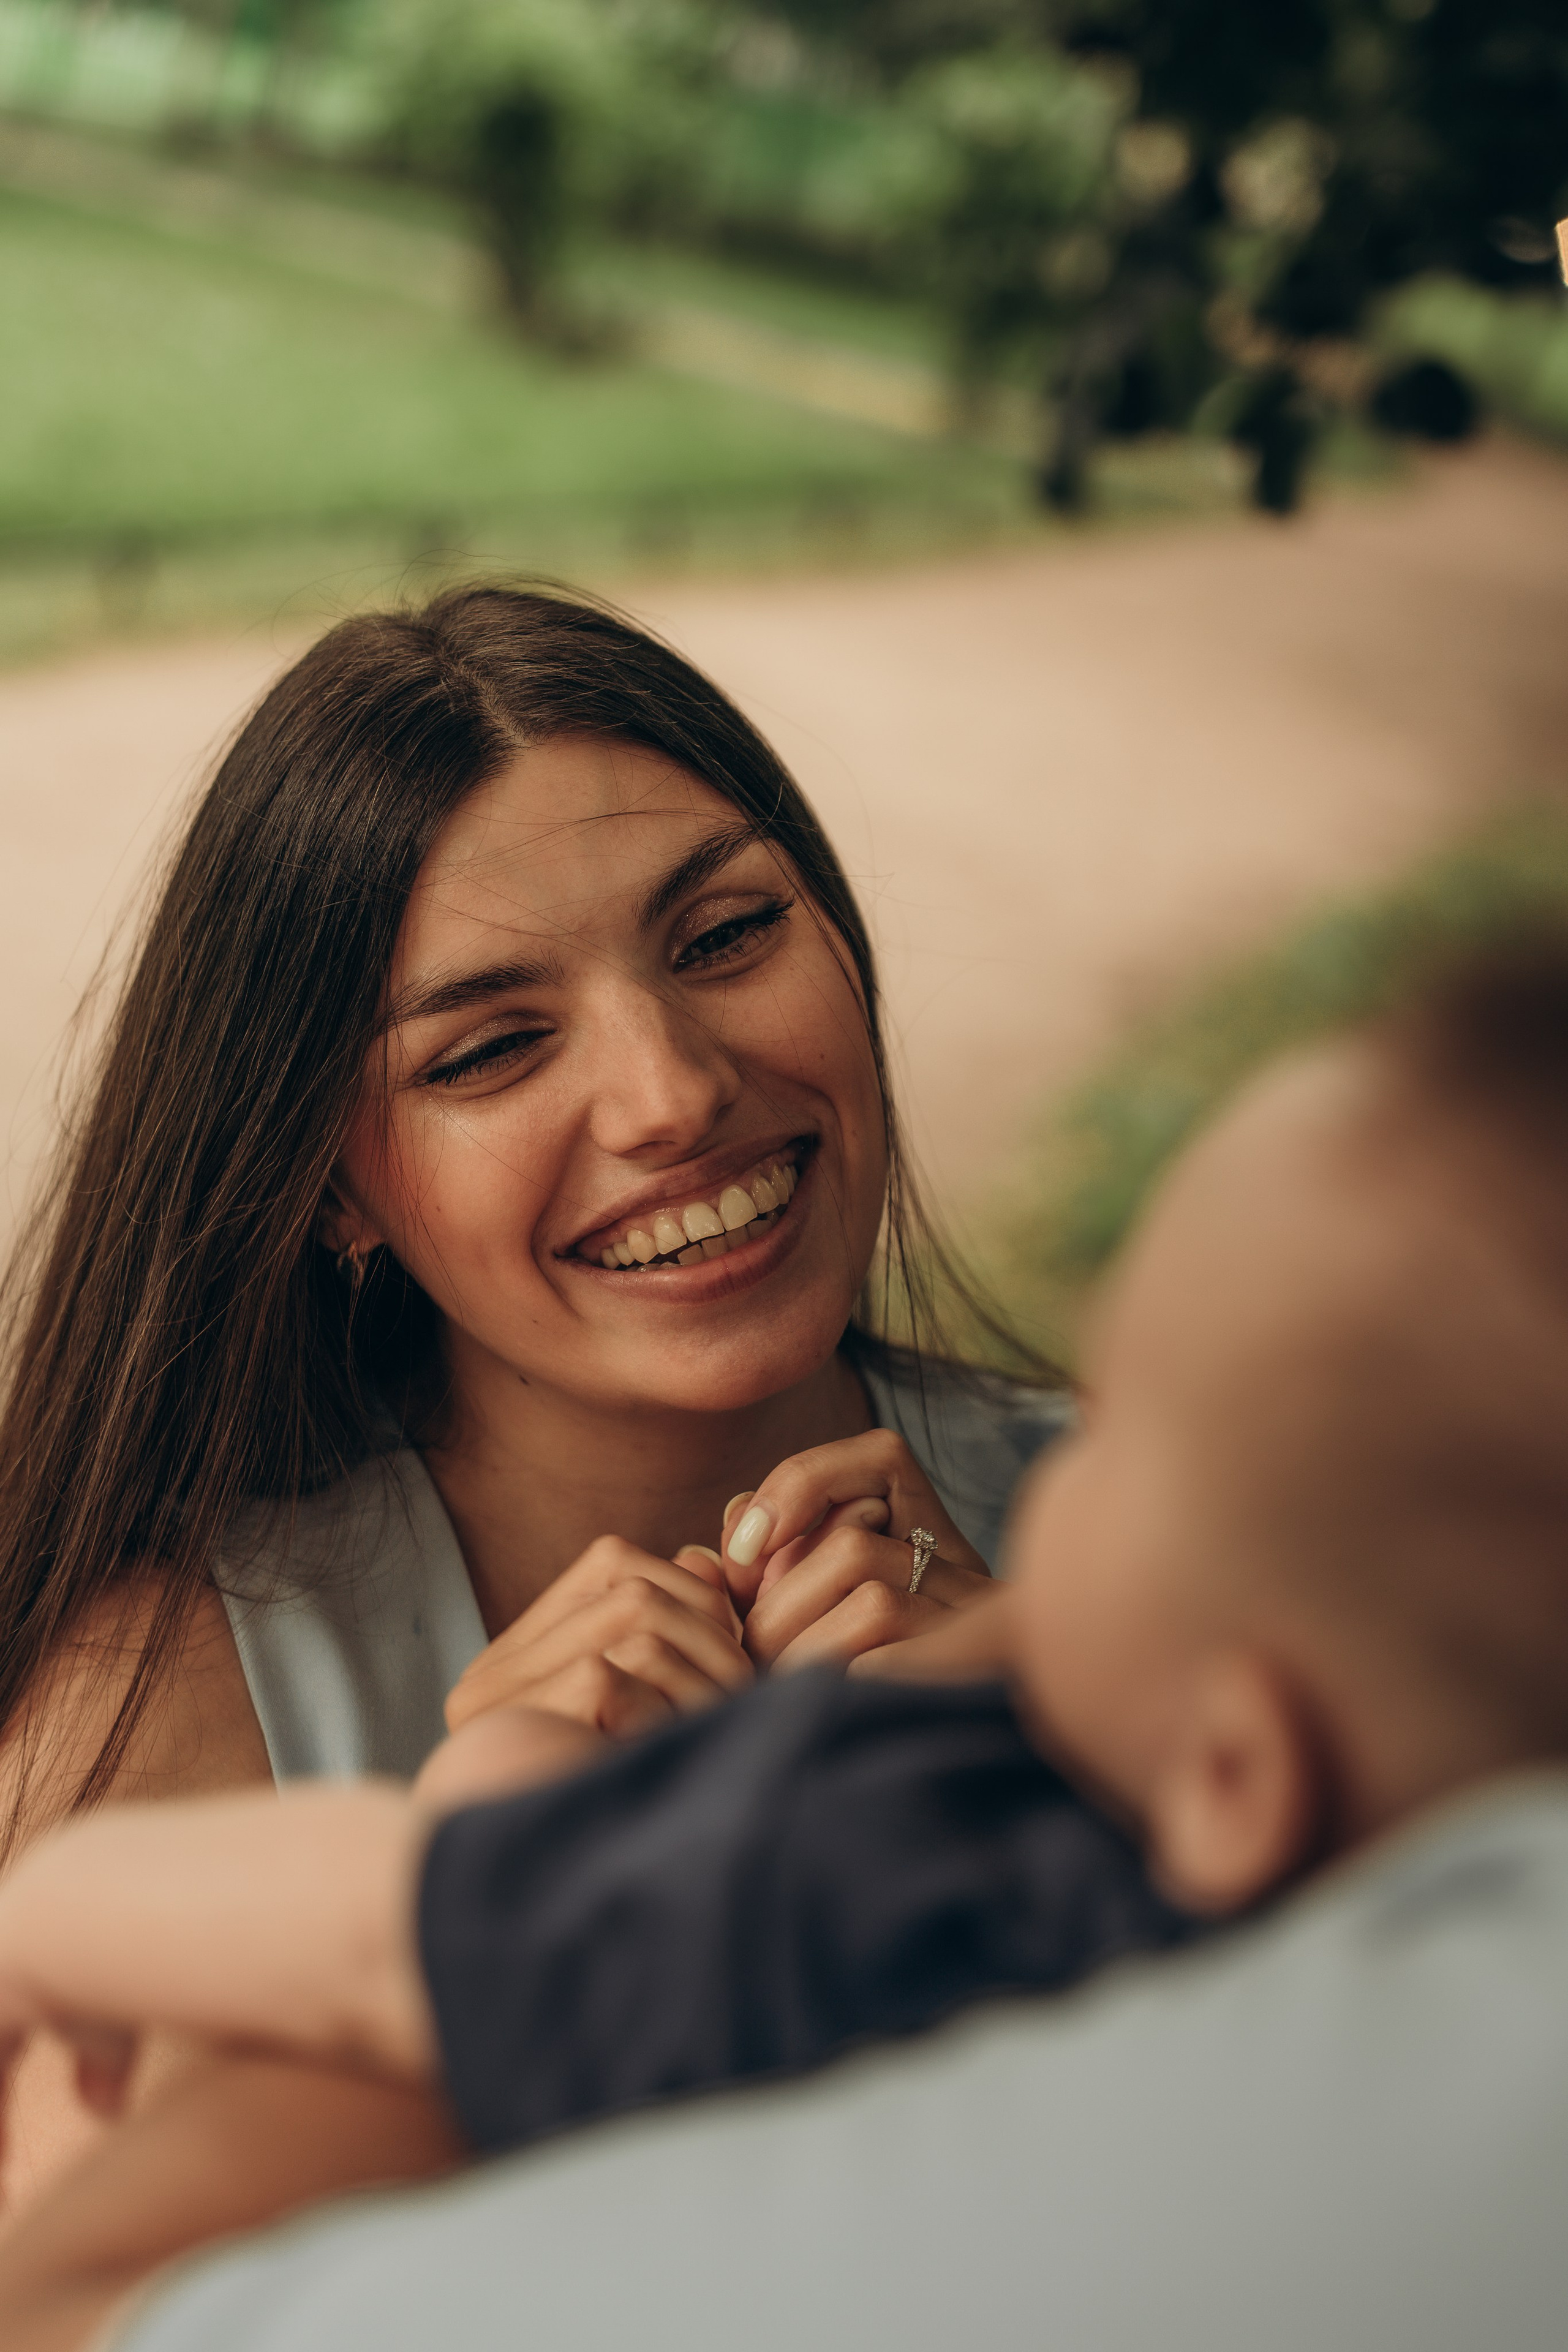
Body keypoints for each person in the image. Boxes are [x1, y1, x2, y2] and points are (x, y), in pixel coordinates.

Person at [9, 938, 1568, 2348]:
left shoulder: (900, 1843)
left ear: (1233, 1768)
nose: (671, 1095)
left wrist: (520, 1787)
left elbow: (390, 1948)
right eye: (486, 1046)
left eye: (1109, 1437)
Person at [0, 585, 1066, 2198]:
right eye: (488, 1051)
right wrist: (430, 1926)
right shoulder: (157, 1714)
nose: (673, 1094)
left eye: (725, 937)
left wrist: (1061, 1790)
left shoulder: (1163, 1543)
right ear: (327, 1188)